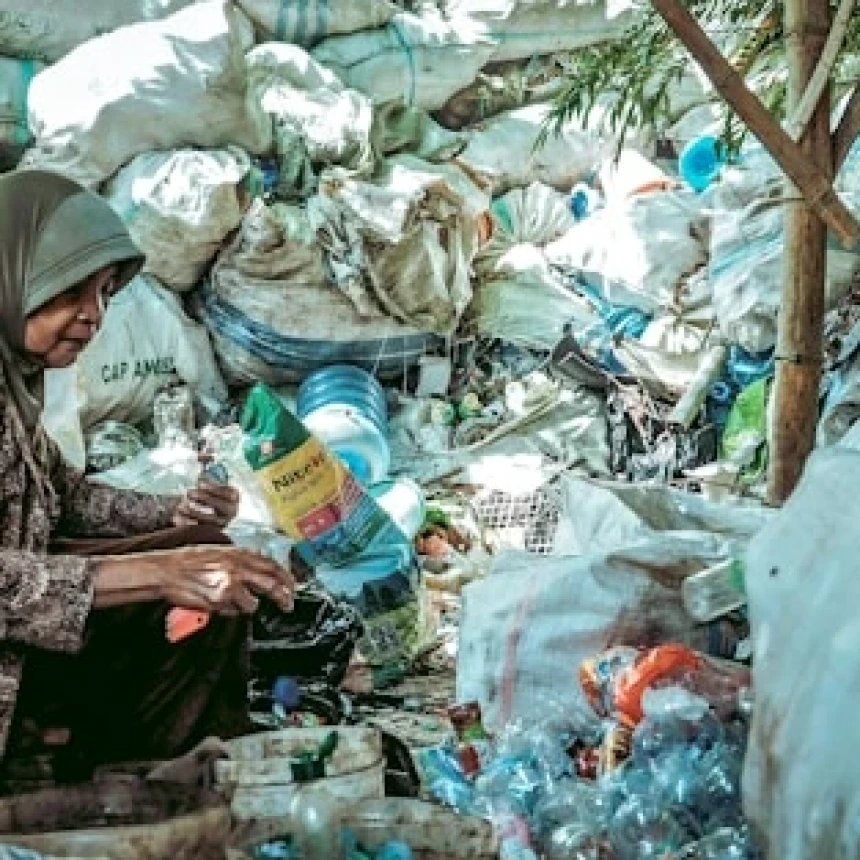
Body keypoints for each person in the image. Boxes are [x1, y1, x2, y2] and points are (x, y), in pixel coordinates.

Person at [0, 170, 295, 784]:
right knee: (183, 573)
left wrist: (173, 517)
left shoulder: (15, 388)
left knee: (208, 557)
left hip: (23, 637)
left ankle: (149, 779)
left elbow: (62, 497)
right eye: (69, 292)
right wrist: (161, 572)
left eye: (105, 294)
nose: (92, 317)